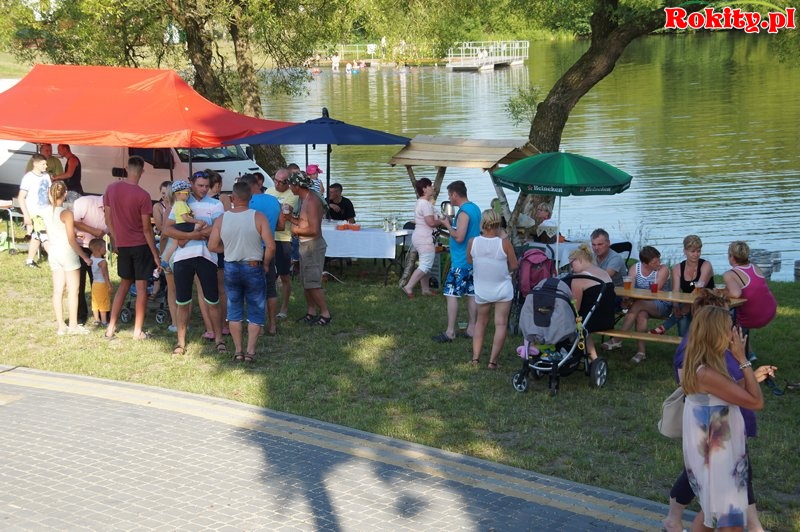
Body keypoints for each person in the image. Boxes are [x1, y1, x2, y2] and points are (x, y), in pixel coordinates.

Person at [663, 290, 774, 532]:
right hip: (717, 454)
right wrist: (743, 359)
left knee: (711, 516)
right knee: (726, 520)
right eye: (729, 327)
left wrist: (751, 376)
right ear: (716, 332)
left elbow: (726, 390)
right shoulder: (704, 372)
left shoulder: (706, 364)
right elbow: (756, 402)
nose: (733, 333)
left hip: (719, 450)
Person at [208, 181, 275, 363]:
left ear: (233, 198)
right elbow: (270, 246)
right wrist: (266, 263)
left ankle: (238, 350)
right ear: (250, 198)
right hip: (253, 266)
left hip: (231, 266)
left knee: (234, 309)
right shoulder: (258, 217)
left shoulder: (222, 219)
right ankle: (250, 351)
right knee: (255, 308)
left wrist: (228, 249)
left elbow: (212, 246)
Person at [161, 171, 225, 355]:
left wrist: (190, 235)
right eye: (200, 185)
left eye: (206, 186)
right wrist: (194, 235)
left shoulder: (216, 204)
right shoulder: (181, 202)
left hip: (207, 257)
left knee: (213, 300)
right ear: (191, 184)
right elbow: (167, 230)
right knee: (183, 301)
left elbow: (218, 227)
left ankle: (219, 339)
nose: (204, 189)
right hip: (183, 258)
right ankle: (180, 343)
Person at [103, 156, 160, 341]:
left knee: (124, 285)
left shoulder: (111, 188)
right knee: (141, 288)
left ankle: (110, 327)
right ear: (142, 171)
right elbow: (147, 229)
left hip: (123, 245)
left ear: (126, 168)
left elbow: (108, 219)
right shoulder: (143, 195)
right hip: (140, 245)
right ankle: (137, 331)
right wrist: (155, 254)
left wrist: (117, 239)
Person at [601, 245, 670, 363]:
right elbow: (630, 290)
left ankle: (617, 339)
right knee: (641, 314)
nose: (658, 263)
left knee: (638, 305)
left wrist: (633, 301)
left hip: (661, 303)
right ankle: (641, 352)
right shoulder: (635, 268)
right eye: (654, 262)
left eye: (659, 259)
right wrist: (627, 300)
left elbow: (654, 292)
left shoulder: (663, 270)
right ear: (645, 263)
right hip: (641, 303)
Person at [431, 180, 480, 343]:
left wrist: (446, 224)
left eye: (449, 195)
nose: (449, 198)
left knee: (450, 294)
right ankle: (472, 329)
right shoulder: (475, 208)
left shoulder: (464, 212)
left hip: (461, 261)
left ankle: (450, 332)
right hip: (473, 259)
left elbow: (459, 237)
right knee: (471, 294)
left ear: (454, 194)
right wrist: (451, 222)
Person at [467, 209, 517, 369]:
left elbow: (470, 261)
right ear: (498, 224)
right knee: (500, 324)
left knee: (480, 322)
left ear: (483, 224)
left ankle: (475, 358)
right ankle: (492, 362)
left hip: (482, 289)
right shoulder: (504, 243)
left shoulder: (473, 242)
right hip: (502, 288)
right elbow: (514, 265)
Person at [42, 181, 91, 335]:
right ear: (65, 194)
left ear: (50, 194)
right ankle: (74, 325)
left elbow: (56, 230)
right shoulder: (67, 213)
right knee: (73, 290)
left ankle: (61, 325)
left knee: (58, 291)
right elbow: (71, 240)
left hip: (54, 252)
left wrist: (75, 233)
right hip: (67, 254)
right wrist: (84, 256)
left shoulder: (46, 211)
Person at [286, 171, 331, 326]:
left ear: (297, 186)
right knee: (306, 282)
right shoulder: (303, 199)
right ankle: (311, 312)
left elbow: (314, 230)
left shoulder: (311, 201)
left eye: (290, 185)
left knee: (312, 283)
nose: (289, 187)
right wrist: (290, 218)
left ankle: (325, 313)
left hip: (313, 246)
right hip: (305, 245)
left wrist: (296, 231)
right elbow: (303, 222)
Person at [650, 235, 714, 337]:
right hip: (686, 305)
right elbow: (675, 291)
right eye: (692, 251)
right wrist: (675, 306)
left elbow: (700, 289)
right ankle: (683, 343)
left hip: (707, 302)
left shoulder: (706, 265)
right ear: (685, 251)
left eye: (698, 251)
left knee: (687, 310)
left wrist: (686, 306)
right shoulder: (678, 268)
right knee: (682, 315)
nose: (696, 254)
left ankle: (663, 328)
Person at [243, 173, 281, 336]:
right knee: (270, 287)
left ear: (248, 187)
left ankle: (257, 325)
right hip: (270, 247)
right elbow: (281, 225)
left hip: (252, 249)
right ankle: (272, 324)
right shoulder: (274, 200)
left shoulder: (247, 203)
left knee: (254, 288)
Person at [722, 240, 777, 349]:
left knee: (724, 315)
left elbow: (736, 294)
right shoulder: (755, 267)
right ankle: (748, 351)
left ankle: (737, 352)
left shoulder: (730, 274)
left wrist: (722, 292)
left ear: (731, 256)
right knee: (733, 313)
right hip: (769, 310)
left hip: (753, 316)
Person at [567, 243, 615, 361]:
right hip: (609, 319)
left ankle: (591, 358)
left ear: (579, 260)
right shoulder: (604, 272)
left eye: (571, 264)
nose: (571, 268)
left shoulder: (578, 279)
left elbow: (575, 309)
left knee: (568, 321)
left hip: (590, 322)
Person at [266, 168, 299, 319]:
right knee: (266, 273)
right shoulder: (269, 191)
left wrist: (271, 209)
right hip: (268, 236)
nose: (278, 184)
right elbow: (280, 211)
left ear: (288, 182)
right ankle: (266, 305)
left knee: (284, 275)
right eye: (276, 180)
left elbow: (286, 213)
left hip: (283, 238)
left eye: (282, 182)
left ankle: (284, 308)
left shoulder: (293, 194)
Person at [403, 178, 443, 297]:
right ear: (424, 189)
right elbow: (430, 222)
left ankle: (425, 289)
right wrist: (443, 221)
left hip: (420, 236)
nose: (433, 188)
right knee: (426, 265)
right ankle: (408, 287)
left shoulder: (421, 202)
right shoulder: (425, 204)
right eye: (430, 186)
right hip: (425, 238)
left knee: (426, 264)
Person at [72, 194, 107, 324]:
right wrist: (93, 230)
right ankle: (81, 314)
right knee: (79, 283)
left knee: (99, 282)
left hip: (97, 251)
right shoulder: (85, 202)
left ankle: (102, 313)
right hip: (80, 247)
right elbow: (73, 221)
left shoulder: (113, 210)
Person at [17, 153, 52, 268]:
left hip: (46, 211)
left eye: (46, 164)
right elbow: (21, 197)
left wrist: (53, 207)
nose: (46, 166)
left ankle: (29, 260)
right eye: (43, 164)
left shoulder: (46, 176)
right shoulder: (28, 177)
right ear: (35, 164)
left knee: (36, 236)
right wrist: (26, 215)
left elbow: (49, 194)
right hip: (35, 213)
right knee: (44, 236)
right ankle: (55, 260)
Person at [153, 180, 177, 332]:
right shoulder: (186, 209)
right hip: (183, 251)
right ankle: (184, 321)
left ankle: (175, 323)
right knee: (184, 290)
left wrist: (161, 255)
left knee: (172, 290)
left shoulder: (169, 210)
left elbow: (163, 235)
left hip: (169, 252)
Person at [88, 238, 111, 326]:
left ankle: (96, 319)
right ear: (99, 249)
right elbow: (105, 275)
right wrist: (109, 285)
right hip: (102, 284)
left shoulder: (92, 258)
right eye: (104, 247)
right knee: (103, 302)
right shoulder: (102, 262)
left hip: (95, 283)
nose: (106, 249)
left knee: (95, 301)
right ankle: (104, 321)